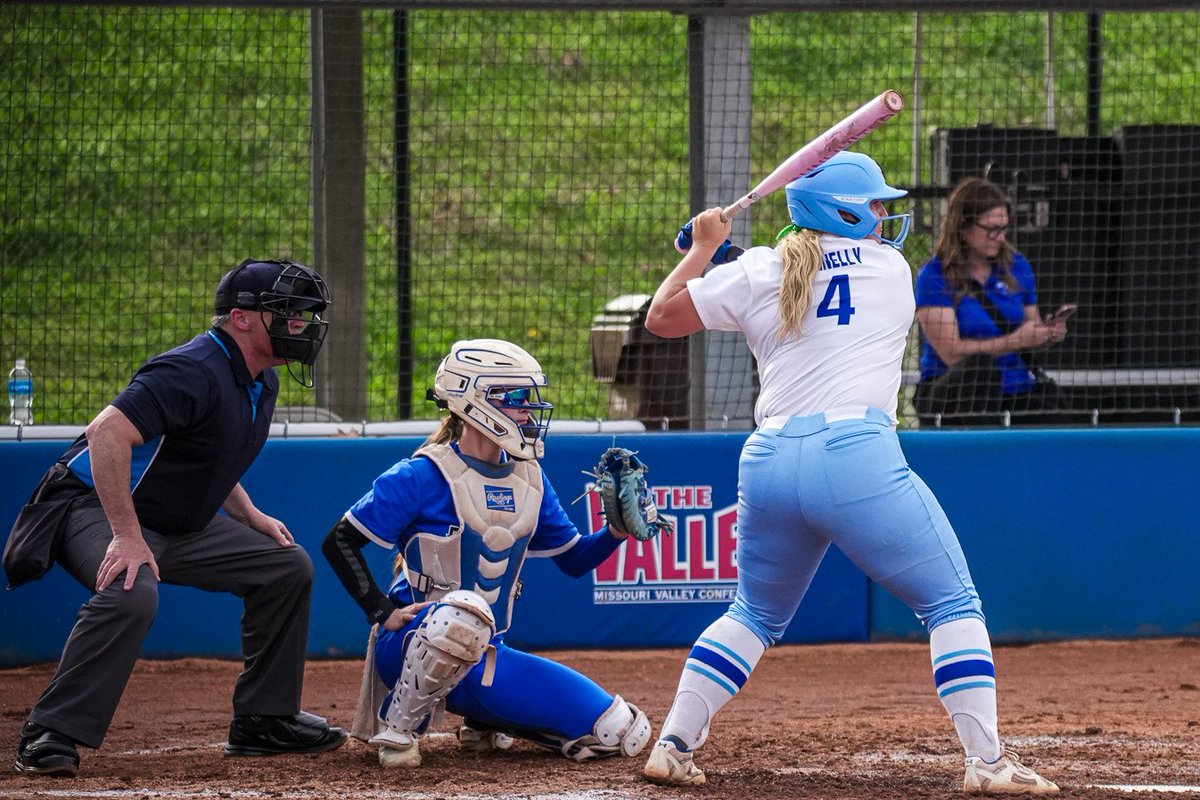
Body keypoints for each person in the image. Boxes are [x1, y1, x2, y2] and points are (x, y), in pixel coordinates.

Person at [640, 152, 1059, 794]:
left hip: (770, 459)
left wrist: (704, 249)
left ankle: (672, 743)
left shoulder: (760, 268)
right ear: (842, 211)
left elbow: (661, 317)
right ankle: (988, 763)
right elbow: (831, 275)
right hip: (855, 454)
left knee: (751, 614)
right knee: (953, 602)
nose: (885, 216)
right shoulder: (890, 268)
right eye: (874, 205)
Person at [10, 259, 346, 777]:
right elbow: (107, 436)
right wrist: (125, 536)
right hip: (94, 505)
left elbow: (208, 451)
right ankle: (50, 730)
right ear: (240, 318)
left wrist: (249, 514)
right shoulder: (189, 369)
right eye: (286, 313)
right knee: (132, 589)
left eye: (302, 316)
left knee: (285, 566)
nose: (299, 326)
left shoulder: (260, 379)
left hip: (175, 519)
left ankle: (263, 720)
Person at [321, 338, 652, 769]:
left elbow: (573, 560)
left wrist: (616, 531)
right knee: (460, 614)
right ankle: (398, 730)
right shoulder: (422, 473)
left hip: (483, 654)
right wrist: (381, 610)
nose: (529, 411)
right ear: (473, 400)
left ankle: (482, 719)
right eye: (516, 398)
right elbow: (339, 541)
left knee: (618, 731)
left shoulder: (530, 479)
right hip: (407, 647)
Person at [913, 177, 1070, 426]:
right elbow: (951, 353)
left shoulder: (1017, 266)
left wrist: (1045, 335)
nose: (1000, 237)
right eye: (992, 229)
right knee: (979, 369)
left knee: (1055, 415)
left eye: (1004, 228)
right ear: (963, 227)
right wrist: (1016, 340)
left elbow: (1032, 331)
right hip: (958, 393)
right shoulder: (934, 277)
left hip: (1017, 389)